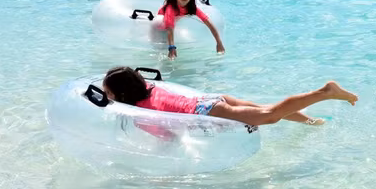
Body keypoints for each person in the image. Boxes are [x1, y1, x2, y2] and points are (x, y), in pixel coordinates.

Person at [102, 66, 358, 127]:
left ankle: (325, 92)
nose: (107, 95)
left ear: (123, 93)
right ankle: (310, 122)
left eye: (109, 91)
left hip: (209, 111)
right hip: (207, 100)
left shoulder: (143, 107)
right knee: (267, 108)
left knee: (269, 115)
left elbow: (167, 135)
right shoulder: (149, 87)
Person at [158, 0, 225, 58]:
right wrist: (171, 47)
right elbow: (169, 28)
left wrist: (219, 43)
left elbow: (208, 22)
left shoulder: (191, 8)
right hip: (160, 30)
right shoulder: (171, 8)